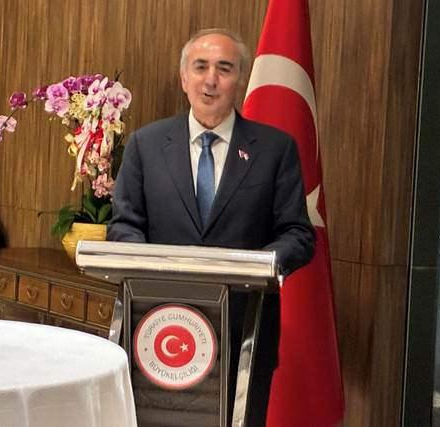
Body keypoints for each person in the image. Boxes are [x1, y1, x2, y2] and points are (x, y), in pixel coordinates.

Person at [107, 28, 315, 425]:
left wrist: (254, 268)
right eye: (200, 67)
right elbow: (124, 227)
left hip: (244, 328)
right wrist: (156, 269)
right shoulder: (145, 145)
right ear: (183, 77)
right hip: (158, 324)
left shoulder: (276, 149)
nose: (211, 80)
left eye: (224, 68)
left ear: (240, 78)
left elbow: (298, 234)